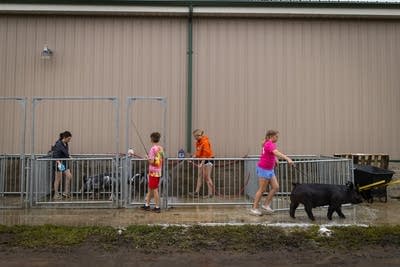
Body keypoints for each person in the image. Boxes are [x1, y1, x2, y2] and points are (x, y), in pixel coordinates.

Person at [250, 130, 294, 216]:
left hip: (270, 169)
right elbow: (276, 152)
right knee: (262, 190)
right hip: (264, 169)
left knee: (276, 187)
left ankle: (266, 205)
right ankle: (254, 208)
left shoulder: (271, 144)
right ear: (271, 136)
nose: (277, 138)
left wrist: (275, 159)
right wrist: (287, 158)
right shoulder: (269, 144)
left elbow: (271, 154)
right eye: (276, 136)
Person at [141, 132, 164, 213]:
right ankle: (147, 205)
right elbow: (161, 159)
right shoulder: (160, 148)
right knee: (150, 188)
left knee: (154, 189)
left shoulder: (152, 149)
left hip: (153, 172)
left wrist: (147, 157)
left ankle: (157, 207)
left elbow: (151, 161)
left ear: (151, 139)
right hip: (158, 171)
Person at [189, 129, 214, 198]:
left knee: (207, 177)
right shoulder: (198, 142)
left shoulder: (205, 142)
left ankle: (210, 194)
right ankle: (196, 192)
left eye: (195, 136)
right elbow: (198, 153)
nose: (194, 138)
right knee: (200, 176)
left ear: (198, 135)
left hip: (208, 160)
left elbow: (206, 154)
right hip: (202, 159)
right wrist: (192, 158)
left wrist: (201, 163)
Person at [52, 131, 73, 200]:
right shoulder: (58, 144)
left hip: (64, 162)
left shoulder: (66, 144)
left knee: (69, 176)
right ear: (64, 137)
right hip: (59, 163)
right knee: (58, 179)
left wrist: (69, 156)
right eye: (69, 138)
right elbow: (55, 155)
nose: (69, 140)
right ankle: (56, 194)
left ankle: (65, 192)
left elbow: (66, 153)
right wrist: (59, 164)